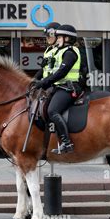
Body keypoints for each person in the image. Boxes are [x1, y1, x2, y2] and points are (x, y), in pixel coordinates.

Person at [35, 24, 81, 154]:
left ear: (67, 38)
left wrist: (44, 82)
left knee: (53, 110)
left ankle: (66, 142)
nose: (57, 38)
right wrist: (34, 81)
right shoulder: (57, 51)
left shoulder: (70, 52)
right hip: (58, 87)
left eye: (60, 36)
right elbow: (48, 71)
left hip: (68, 88)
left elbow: (61, 72)